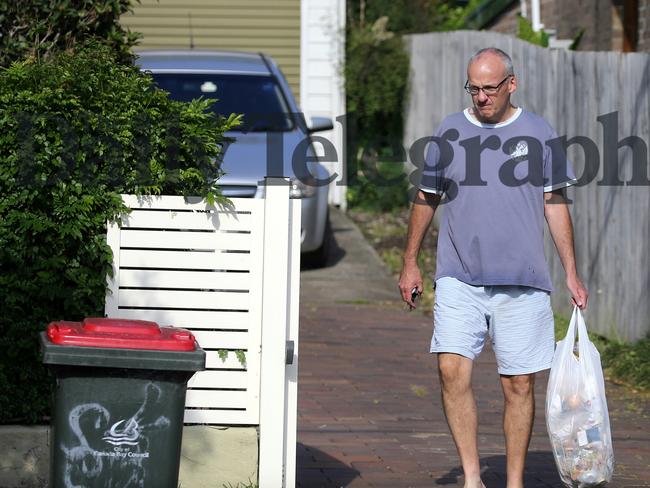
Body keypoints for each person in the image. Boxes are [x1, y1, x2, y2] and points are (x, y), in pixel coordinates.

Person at [398, 47, 589, 488]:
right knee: (450, 370)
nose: (481, 97)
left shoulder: (539, 133)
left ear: (511, 84)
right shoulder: (449, 131)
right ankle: (471, 477)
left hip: (522, 282)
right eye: (474, 88)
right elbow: (426, 197)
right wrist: (410, 262)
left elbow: (555, 203)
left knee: (519, 385)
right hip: (458, 277)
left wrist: (572, 272)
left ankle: (515, 482)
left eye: (489, 88)